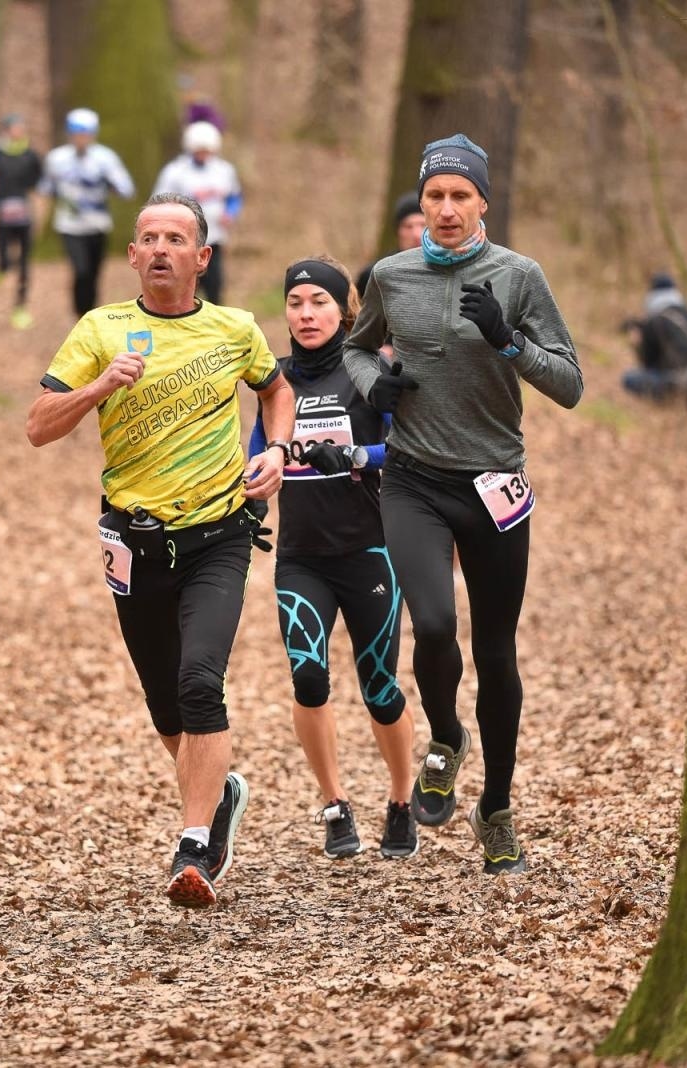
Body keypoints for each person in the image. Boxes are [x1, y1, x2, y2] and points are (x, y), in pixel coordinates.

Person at [25, 192, 295, 908]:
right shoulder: (100, 329)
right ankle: (220, 793)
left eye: (177, 237)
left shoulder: (234, 328)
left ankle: (195, 846)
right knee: (165, 706)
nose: (162, 248)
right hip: (133, 544)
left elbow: (276, 390)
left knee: (201, 682)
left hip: (219, 535)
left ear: (202, 257)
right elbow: (38, 426)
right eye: (149, 238)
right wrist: (97, 387)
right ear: (133, 256)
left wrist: (275, 451)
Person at [343, 133, 583, 875]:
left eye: (459, 196)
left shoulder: (519, 276)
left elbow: (570, 384)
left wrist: (509, 342)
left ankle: (498, 808)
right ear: (421, 203)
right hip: (414, 479)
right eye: (433, 197)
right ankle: (446, 737)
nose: (445, 210)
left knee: (497, 651)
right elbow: (356, 348)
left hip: (493, 484)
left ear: (483, 202)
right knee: (435, 624)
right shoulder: (391, 274)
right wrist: (369, 385)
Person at [248, 255, 417, 860]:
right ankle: (334, 801)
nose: (305, 313)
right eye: (295, 304)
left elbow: (410, 448)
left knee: (378, 687)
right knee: (309, 678)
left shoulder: (369, 370)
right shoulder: (279, 381)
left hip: (371, 551)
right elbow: (257, 453)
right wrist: (250, 495)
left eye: (318, 302)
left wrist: (354, 458)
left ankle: (401, 798)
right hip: (301, 557)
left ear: (344, 309)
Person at [40, 108, 136, 316]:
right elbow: (46, 188)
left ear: (93, 134)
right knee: (80, 270)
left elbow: (127, 189)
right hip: (69, 226)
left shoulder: (105, 158)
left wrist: (109, 182)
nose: (81, 139)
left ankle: (92, 312)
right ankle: (80, 314)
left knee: (93, 273)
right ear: (69, 134)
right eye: (77, 134)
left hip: (98, 224)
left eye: (85, 134)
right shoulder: (57, 158)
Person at [152, 122, 242, 305]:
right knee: (185, 287)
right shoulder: (175, 172)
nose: (203, 154)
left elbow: (234, 197)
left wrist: (230, 213)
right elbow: (158, 201)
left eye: (207, 150)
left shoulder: (224, 171)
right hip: (182, 242)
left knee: (215, 287)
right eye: (199, 150)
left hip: (214, 239)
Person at [0, 114, 43, 329]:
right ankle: (1, 269)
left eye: (21, 127)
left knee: (24, 264)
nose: (19, 131)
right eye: (15, 127)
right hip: (3, 217)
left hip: (24, 217)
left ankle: (20, 307)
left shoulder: (31, 155)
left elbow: (41, 180)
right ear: (6, 130)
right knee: (4, 260)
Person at [620, 273, 687, 402]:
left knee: (629, 378)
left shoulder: (655, 320)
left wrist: (637, 345)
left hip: (679, 384)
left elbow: (648, 364)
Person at [355, 192, 425, 298]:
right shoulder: (374, 274)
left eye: (423, 225)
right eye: (408, 226)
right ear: (398, 231)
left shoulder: (447, 271)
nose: (416, 234)